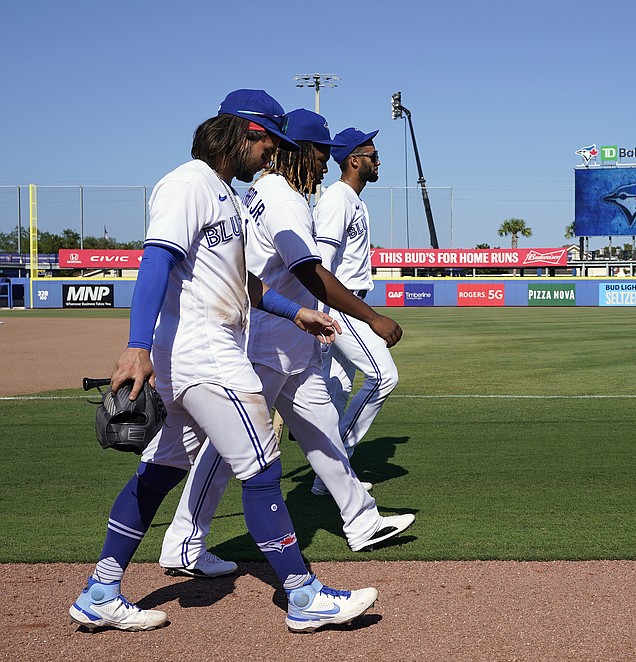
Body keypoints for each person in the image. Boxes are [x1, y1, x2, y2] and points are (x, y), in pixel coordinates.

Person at [70, 90, 378, 633]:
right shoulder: (188, 183)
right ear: (246, 133)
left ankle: (101, 588)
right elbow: (156, 261)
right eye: (269, 143)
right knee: (261, 467)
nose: (272, 155)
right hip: (204, 353)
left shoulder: (227, 197)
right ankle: (303, 595)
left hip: (196, 355)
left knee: (161, 470)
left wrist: (294, 312)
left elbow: (244, 281)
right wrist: (136, 345)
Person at [158, 110, 412, 572]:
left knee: (323, 431)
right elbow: (308, 271)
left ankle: (362, 520)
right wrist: (371, 317)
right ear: (301, 151)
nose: (324, 162)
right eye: (320, 153)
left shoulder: (266, 191)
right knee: (226, 449)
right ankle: (184, 544)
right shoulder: (284, 199)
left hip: (287, 338)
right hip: (268, 341)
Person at [311, 127, 400, 495]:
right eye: (373, 156)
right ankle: (337, 469)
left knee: (338, 390)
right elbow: (320, 265)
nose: (378, 162)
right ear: (354, 160)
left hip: (352, 302)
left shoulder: (356, 201)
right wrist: (320, 316)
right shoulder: (337, 199)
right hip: (341, 305)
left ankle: (324, 481)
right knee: (383, 376)